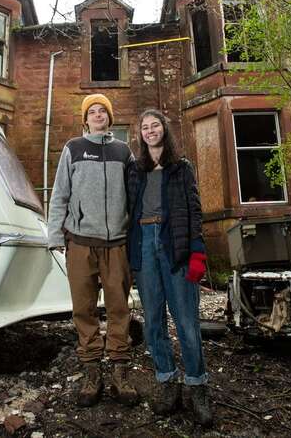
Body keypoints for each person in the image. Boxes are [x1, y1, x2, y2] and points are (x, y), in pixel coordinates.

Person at [47, 93, 139, 407]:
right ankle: (91, 373)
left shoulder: (123, 151)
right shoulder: (73, 148)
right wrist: (54, 236)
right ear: (85, 119)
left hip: (116, 245)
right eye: (93, 111)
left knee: (119, 308)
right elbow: (60, 195)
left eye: (103, 111)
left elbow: (134, 198)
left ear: (109, 118)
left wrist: (133, 235)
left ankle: (119, 373)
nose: (98, 115)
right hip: (80, 243)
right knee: (83, 310)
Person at [126, 108, 212, 426]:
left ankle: (197, 385)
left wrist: (197, 255)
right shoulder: (135, 170)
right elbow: (127, 213)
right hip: (144, 244)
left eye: (155, 125)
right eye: (145, 127)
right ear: (141, 134)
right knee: (153, 324)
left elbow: (194, 211)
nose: (150, 131)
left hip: (174, 244)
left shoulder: (181, 168)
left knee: (187, 322)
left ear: (164, 129)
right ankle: (167, 382)